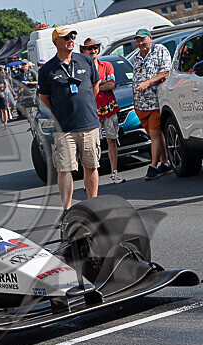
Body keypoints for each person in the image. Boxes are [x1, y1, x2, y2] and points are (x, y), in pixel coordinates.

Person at [37, 25, 102, 210]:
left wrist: (84, 106)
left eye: (72, 36)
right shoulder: (47, 70)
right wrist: (63, 111)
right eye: (66, 37)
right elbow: (44, 99)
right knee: (65, 169)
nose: (70, 40)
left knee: (91, 165)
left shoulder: (85, 61)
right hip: (64, 128)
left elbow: (95, 87)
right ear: (56, 42)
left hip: (88, 124)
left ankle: (93, 205)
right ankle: (67, 210)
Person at [81, 38, 124, 184]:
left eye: (95, 47)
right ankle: (92, 178)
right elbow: (84, 89)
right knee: (91, 145)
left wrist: (95, 84)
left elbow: (111, 85)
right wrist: (101, 82)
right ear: (84, 51)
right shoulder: (82, 69)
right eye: (89, 48)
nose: (93, 50)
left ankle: (114, 173)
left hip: (109, 108)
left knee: (112, 139)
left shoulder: (107, 65)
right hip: (91, 111)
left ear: (98, 49)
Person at [131, 29, 172, 181]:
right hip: (141, 105)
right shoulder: (136, 57)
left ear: (150, 38)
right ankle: (165, 162)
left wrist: (147, 83)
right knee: (155, 136)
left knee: (155, 135)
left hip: (156, 101)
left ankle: (153, 166)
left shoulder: (160, 50)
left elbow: (166, 72)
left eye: (143, 40)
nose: (141, 43)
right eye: (138, 40)